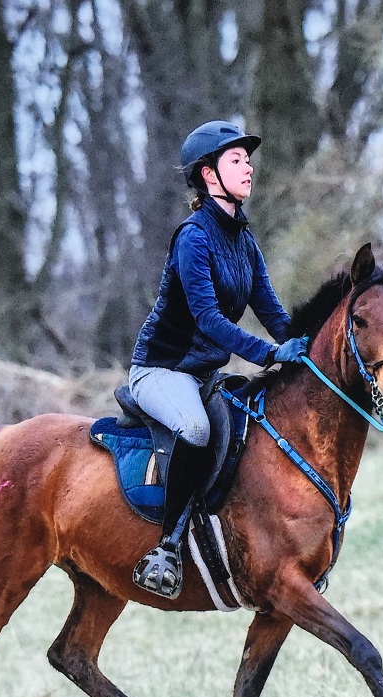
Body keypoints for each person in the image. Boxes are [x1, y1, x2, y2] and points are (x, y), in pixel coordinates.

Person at [129, 120, 309, 598]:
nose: (248, 167)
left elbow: (271, 311)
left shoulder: (244, 242)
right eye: (237, 160)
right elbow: (208, 319)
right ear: (209, 177)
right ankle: (166, 548)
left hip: (205, 374)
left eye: (248, 160)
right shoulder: (193, 237)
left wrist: (309, 347)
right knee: (196, 430)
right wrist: (271, 354)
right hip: (160, 371)